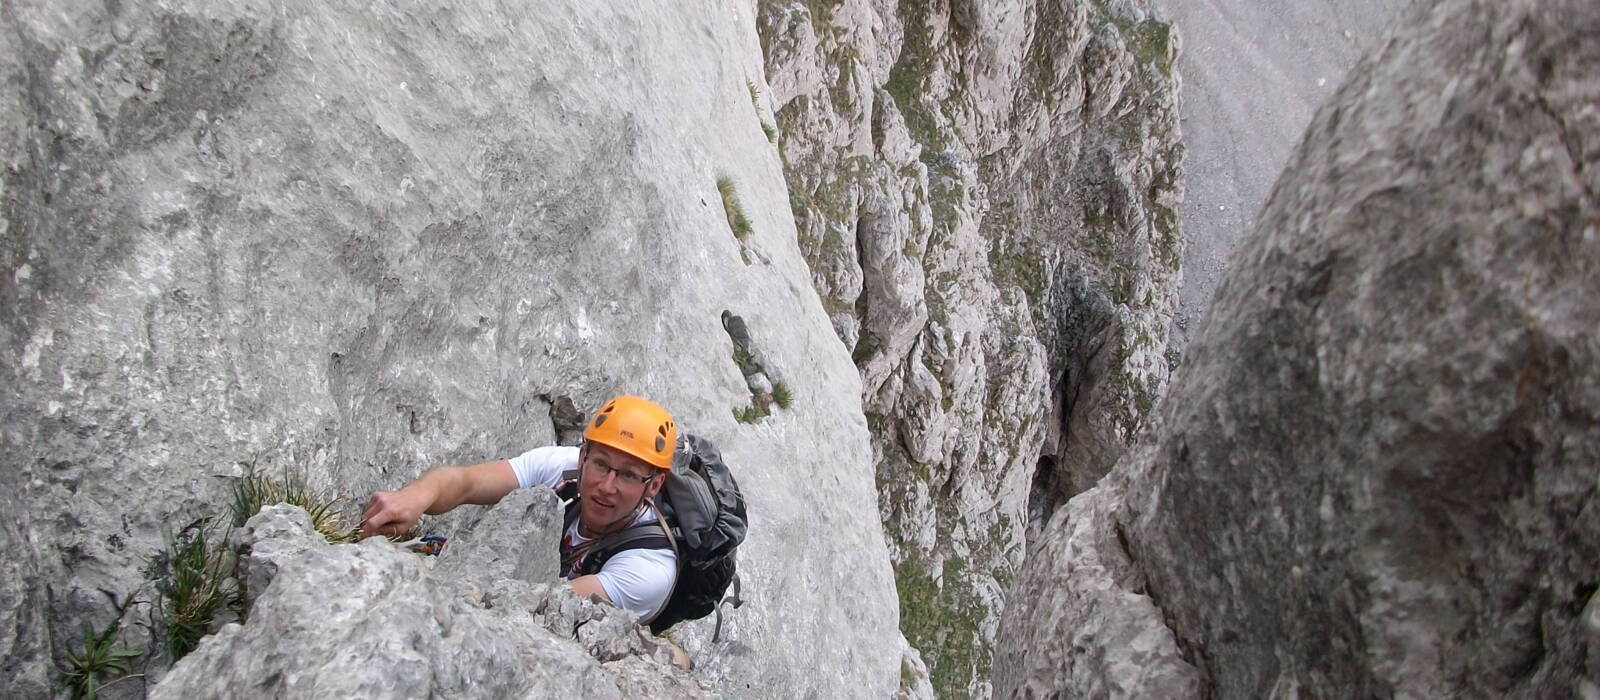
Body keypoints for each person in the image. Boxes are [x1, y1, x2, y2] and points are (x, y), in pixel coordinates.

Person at [359, 395, 680, 623]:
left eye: (627, 475)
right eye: (600, 464)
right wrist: (415, 497)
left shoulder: (648, 568)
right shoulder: (562, 468)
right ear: (583, 455)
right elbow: (465, 482)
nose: (607, 485)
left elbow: (542, 604)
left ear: (652, 486)